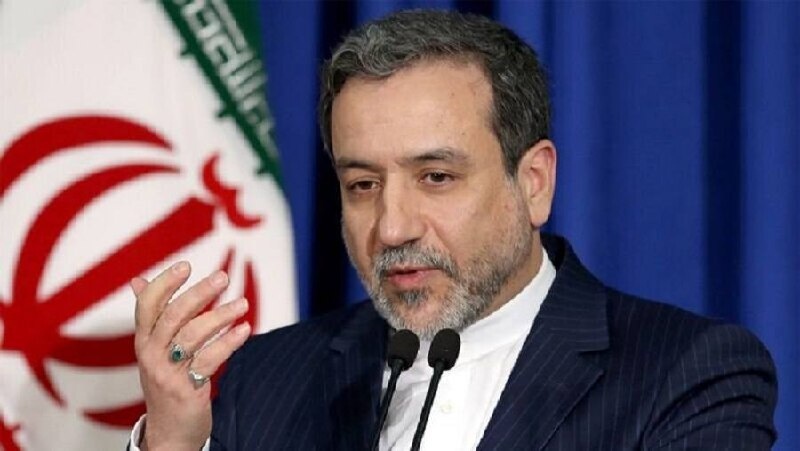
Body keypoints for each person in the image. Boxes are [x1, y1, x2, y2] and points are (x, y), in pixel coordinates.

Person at [129, 10, 777, 451]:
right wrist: (174, 442)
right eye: (363, 185)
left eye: (436, 177)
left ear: (534, 182)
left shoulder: (687, 374)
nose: (393, 226)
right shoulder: (268, 377)